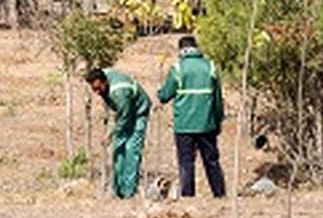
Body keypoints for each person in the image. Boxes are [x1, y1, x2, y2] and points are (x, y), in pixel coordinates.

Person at [158, 35, 226, 198]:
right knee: (212, 161)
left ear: (181, 50)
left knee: (186, 163)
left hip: (184, 125)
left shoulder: (178, 68)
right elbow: (217, 99)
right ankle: (220, 194)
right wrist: (217, 121)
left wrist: (160, 92)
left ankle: (188, 197)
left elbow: (165, 96)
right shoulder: (210, 67)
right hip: (207, 124)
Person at [86, 66, 151, 199]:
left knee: (131, 150)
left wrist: (110, 135)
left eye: (99, 88)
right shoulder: (105, 75)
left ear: (105, 82)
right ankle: (118, 190)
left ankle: (129, 193)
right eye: (94, 89)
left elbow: (123, 119)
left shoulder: (120, 92)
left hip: (138, 113)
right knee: (118, 150)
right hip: (125, 112)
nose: (97, 92)